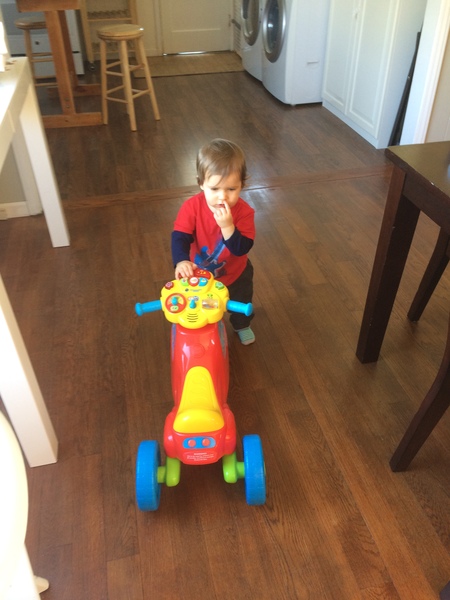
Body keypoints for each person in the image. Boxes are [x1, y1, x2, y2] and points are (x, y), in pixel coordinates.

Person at [171, 138, 256, 345]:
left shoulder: (244, 212)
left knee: (241, 302)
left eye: (231, 189)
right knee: (203, 306)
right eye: (215, 189)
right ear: (201, 183)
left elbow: (242, 248)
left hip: (236, 273)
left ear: (242, 185)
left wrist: (228, 227)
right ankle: (209, 328)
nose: (222, 197)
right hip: (201, 276)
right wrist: (181, 260)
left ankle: (242, 325)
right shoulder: (192, 207)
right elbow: (180, 236)